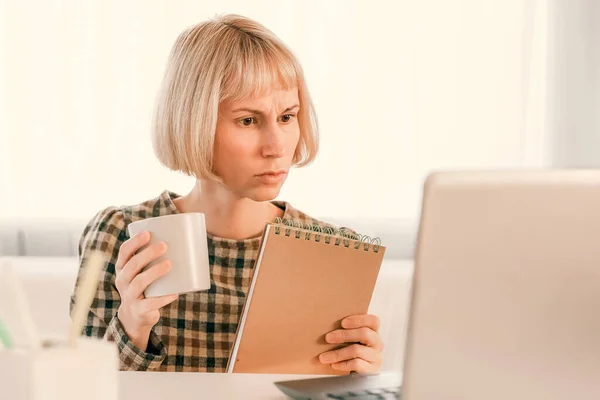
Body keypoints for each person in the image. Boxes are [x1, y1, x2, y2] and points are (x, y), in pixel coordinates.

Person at [70, 13, 384, 373]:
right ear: (193, 122)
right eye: (248, 120)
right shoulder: (121, 234)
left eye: (287, 117)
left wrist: (361, 378)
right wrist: (132, 326)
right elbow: (77, 387)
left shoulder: (329, 251)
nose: (275, 146)